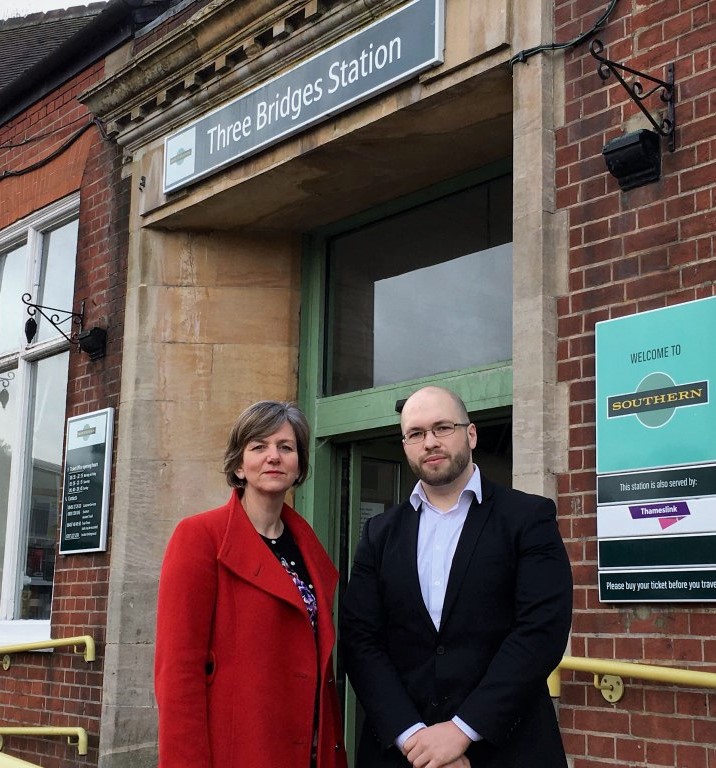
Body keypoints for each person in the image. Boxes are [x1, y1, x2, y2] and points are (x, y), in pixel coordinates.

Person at [340, 386, 573, 768]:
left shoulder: (528, 518)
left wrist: (462, 731)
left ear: (471, 434)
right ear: (405, 446)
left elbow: (541, 630)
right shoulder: (380, 533)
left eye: (442, 427)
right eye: (416, 433)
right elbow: (360, 639)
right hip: (403, 753)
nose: (430, 441)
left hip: (509, 749)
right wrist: (413, 737)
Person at [155, 400, 348, 768]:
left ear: (298, 465)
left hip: (309, 751)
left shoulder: (308, 547)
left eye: (286, 447)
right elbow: (178, 674)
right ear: (239, 465)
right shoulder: (200, 537)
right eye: (259, 446)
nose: (274, 456)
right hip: (242, 751)